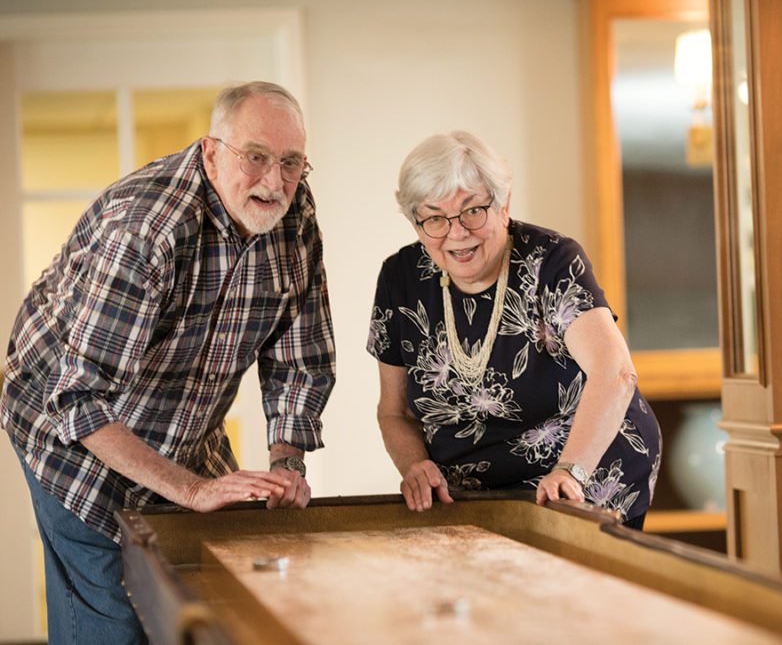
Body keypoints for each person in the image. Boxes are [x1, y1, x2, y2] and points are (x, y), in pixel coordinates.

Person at [1, 81, 336, 643]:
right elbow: (78, 399)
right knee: (114, 614)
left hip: (180, 420)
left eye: (291, 162)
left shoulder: (294, 216)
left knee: (198, 593)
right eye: (255, 157)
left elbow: (300, 357)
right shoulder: (146, 227)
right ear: (211, 151)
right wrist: (192, 490)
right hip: (65, 424)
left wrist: (288, 464)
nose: (274, 181)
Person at [367, 131, 660, 529]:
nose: (456, 233)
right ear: (416, 223)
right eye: (434, 217)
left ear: (503, 204)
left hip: (580, 472)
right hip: (471, 493)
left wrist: (570, 472)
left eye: (473, 210)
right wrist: (415, 465)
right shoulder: (400, 279)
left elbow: (615, 373)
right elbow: (394, 411)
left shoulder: (552, 261)